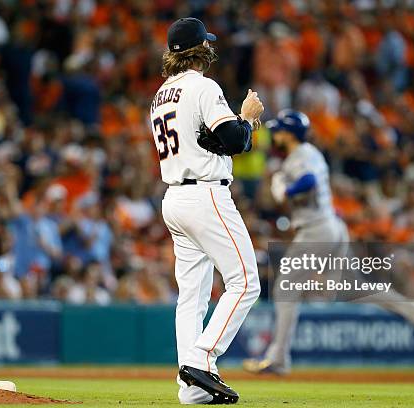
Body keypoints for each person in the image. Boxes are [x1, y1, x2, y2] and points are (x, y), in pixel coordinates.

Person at [243, 110, 414, 375]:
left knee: (284, 289)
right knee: (354, 290)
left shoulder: (302, 155)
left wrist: (285, 189)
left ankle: (278, 358)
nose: (274, 134)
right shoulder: (304, 155)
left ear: (288, 133)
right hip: (329, 227)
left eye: (278, 130)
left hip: (318, 230)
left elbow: (308, 181)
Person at [151, 17, 263, 404]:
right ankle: (202, 359)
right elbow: (233, 139)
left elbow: (204, 140)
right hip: (205, 195)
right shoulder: (203, 86)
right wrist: (246, 117)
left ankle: (192, 389)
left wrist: (222, 138)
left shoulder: (161, 94)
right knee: (246, 281)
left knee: (192, 297)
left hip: (175, 198)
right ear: (203, 49)